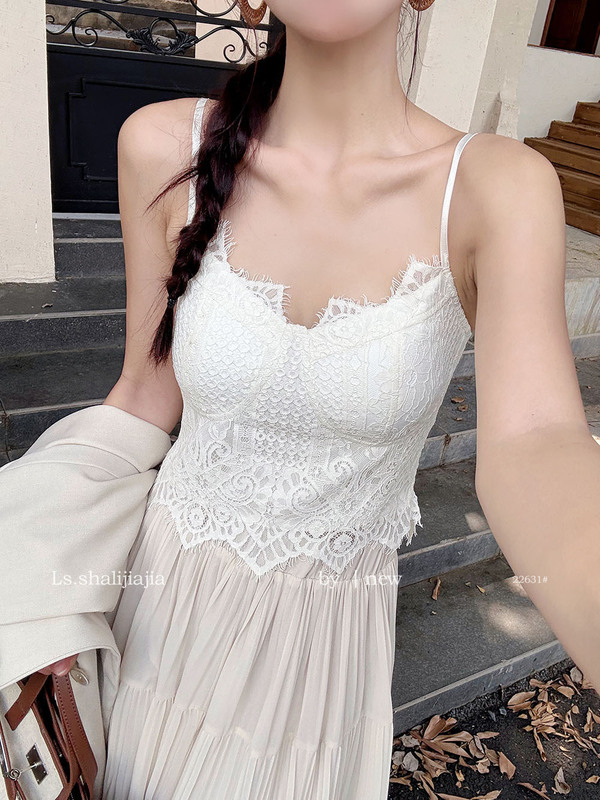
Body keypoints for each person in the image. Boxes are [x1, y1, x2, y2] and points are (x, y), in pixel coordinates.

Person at [42, 0, 600, 798]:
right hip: (161, 612)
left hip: (319, 656)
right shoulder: (163, 145)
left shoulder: (495, 187)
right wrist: (50, 576)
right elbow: (142, 393)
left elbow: (539, 441)